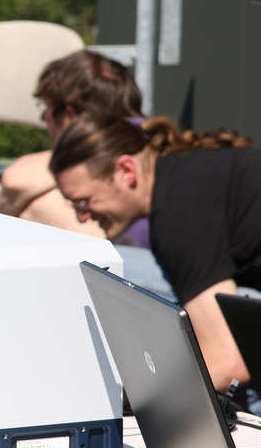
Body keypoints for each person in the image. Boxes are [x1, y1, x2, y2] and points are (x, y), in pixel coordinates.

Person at [50, 112, 261, 392]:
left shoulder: (178, 214)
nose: (82, 217)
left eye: (83, 201)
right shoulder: (182, 172)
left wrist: (127, 400)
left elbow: (227, 364)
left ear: (126, 170)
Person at [0, 50, 143, 239]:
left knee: (36, 205)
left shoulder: (109, 142)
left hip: (133, 258)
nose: (43, 117)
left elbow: (15, 180)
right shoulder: (154, 135)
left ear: (69, 117)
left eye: (47, 108)